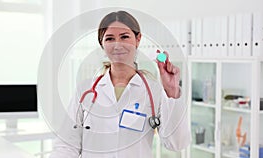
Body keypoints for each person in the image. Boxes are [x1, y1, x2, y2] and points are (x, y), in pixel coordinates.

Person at [50, 10, 190, 158]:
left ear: (138, 39)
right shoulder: (85, 90)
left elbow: (177, 144)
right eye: (110, 39)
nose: (117, 45)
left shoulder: (154, 91)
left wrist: (171, 91)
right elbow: (66, 145)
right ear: (102, 44)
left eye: (124, 37)